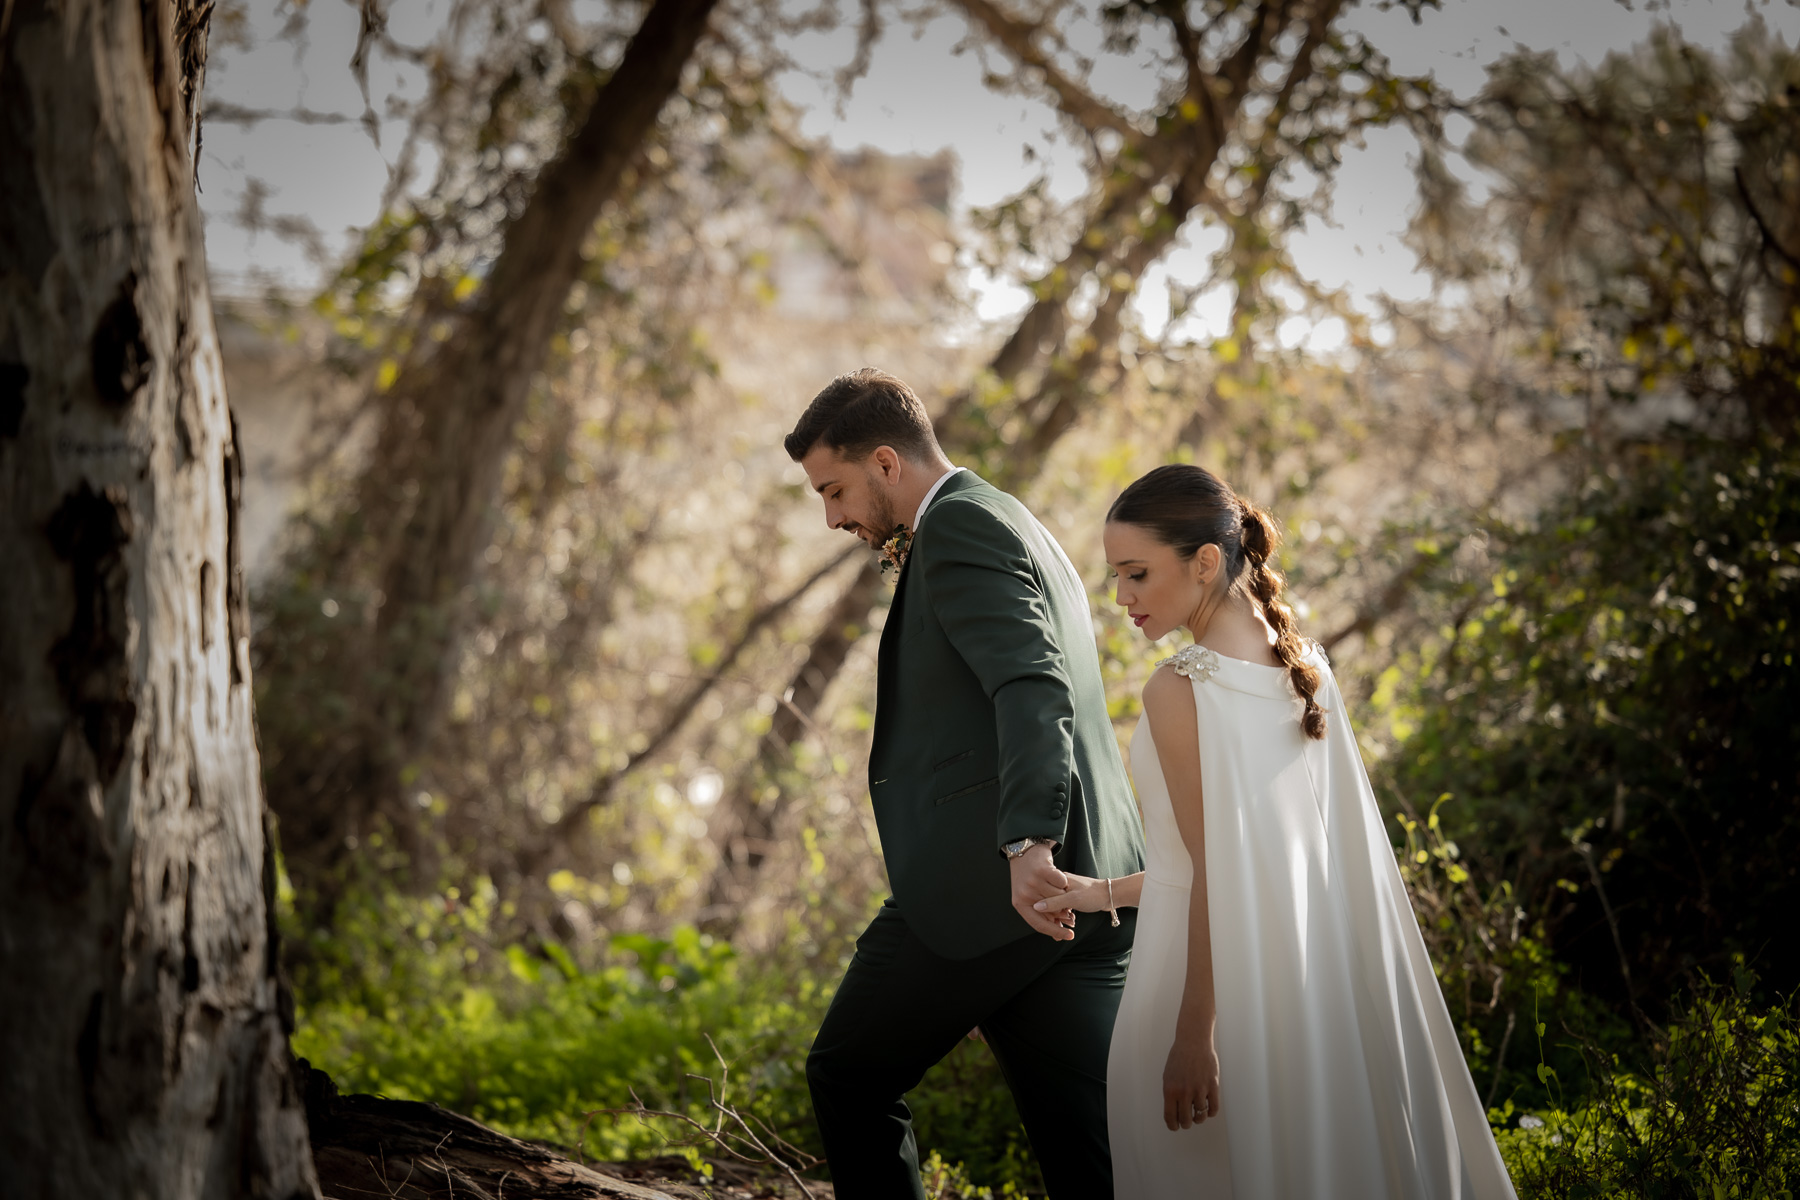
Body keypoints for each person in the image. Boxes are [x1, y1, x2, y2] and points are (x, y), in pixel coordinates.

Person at [1035, 464, 1519, 1198]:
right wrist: (1103, 892)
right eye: (1116, 578)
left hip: (1202, 995)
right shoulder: (1307, 669)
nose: (1122, 597)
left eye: (1136, 574)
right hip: (1304, 992)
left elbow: (1218, 873)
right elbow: (1244, 863)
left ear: (1204, 562)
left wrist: (1194, 1036)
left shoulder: (1181, 687)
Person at [787, 369, 1146, 1198]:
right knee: (1089, 1153)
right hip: (1084, 885)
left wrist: (1028, 843)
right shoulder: (1011, 515)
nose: (833, 517)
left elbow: (1032, 683)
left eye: (835, 491)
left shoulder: (958, 527)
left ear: (886, 462)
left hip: (1002, 886)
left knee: (848, 1074)